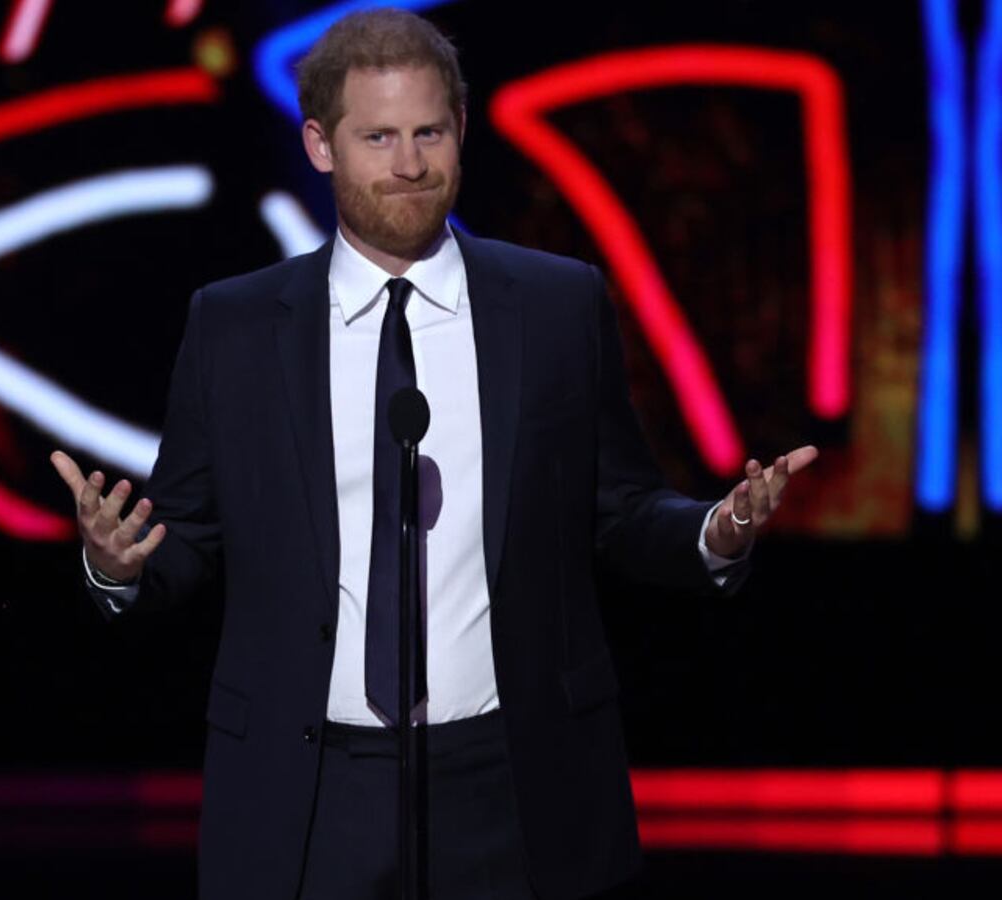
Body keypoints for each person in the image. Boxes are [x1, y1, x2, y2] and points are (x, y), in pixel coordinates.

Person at [50, 9, 816, 899]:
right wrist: (118, 565)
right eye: (378, 136)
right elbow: (187, 537)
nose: (409, 164)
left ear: (461, 131)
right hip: (310, 787)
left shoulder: (555, 306)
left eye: (429, 132)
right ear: (320, 145)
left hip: (510, 777)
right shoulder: (236, 325)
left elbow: (620, 507)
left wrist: (714, 533)